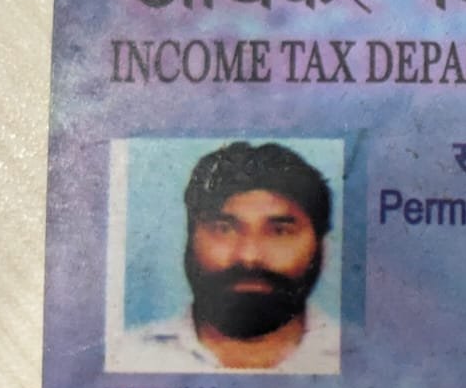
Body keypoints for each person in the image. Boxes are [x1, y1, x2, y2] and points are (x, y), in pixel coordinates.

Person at [116, 140, 340, 373]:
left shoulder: (357, 360)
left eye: (279, 231)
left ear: (322, 247)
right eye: (223, 229)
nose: (249, 257)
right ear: (190, 238)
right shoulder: (126, 358)